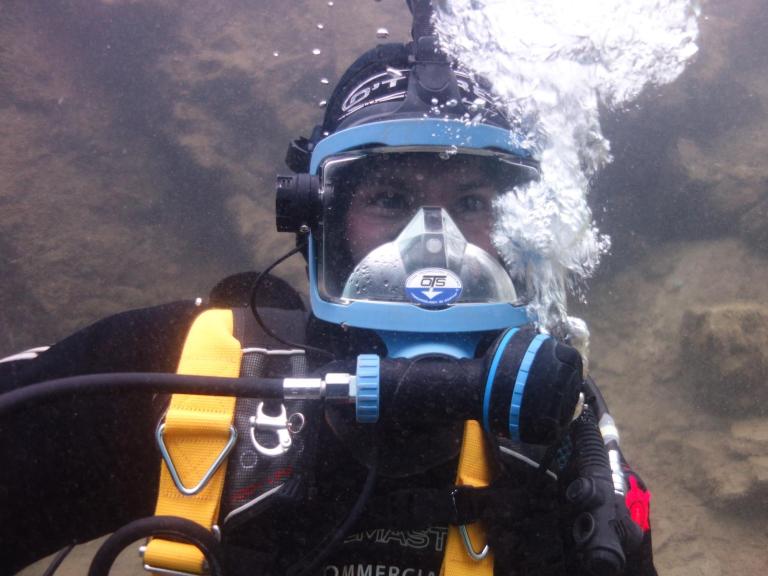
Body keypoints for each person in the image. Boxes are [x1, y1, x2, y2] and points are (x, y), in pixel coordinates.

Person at [0, 7, 657, 576]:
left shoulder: (559, 440)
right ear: (323, 219)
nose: (436, 247)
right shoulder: (182, 377)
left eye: (473, 202)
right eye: (391, 198)